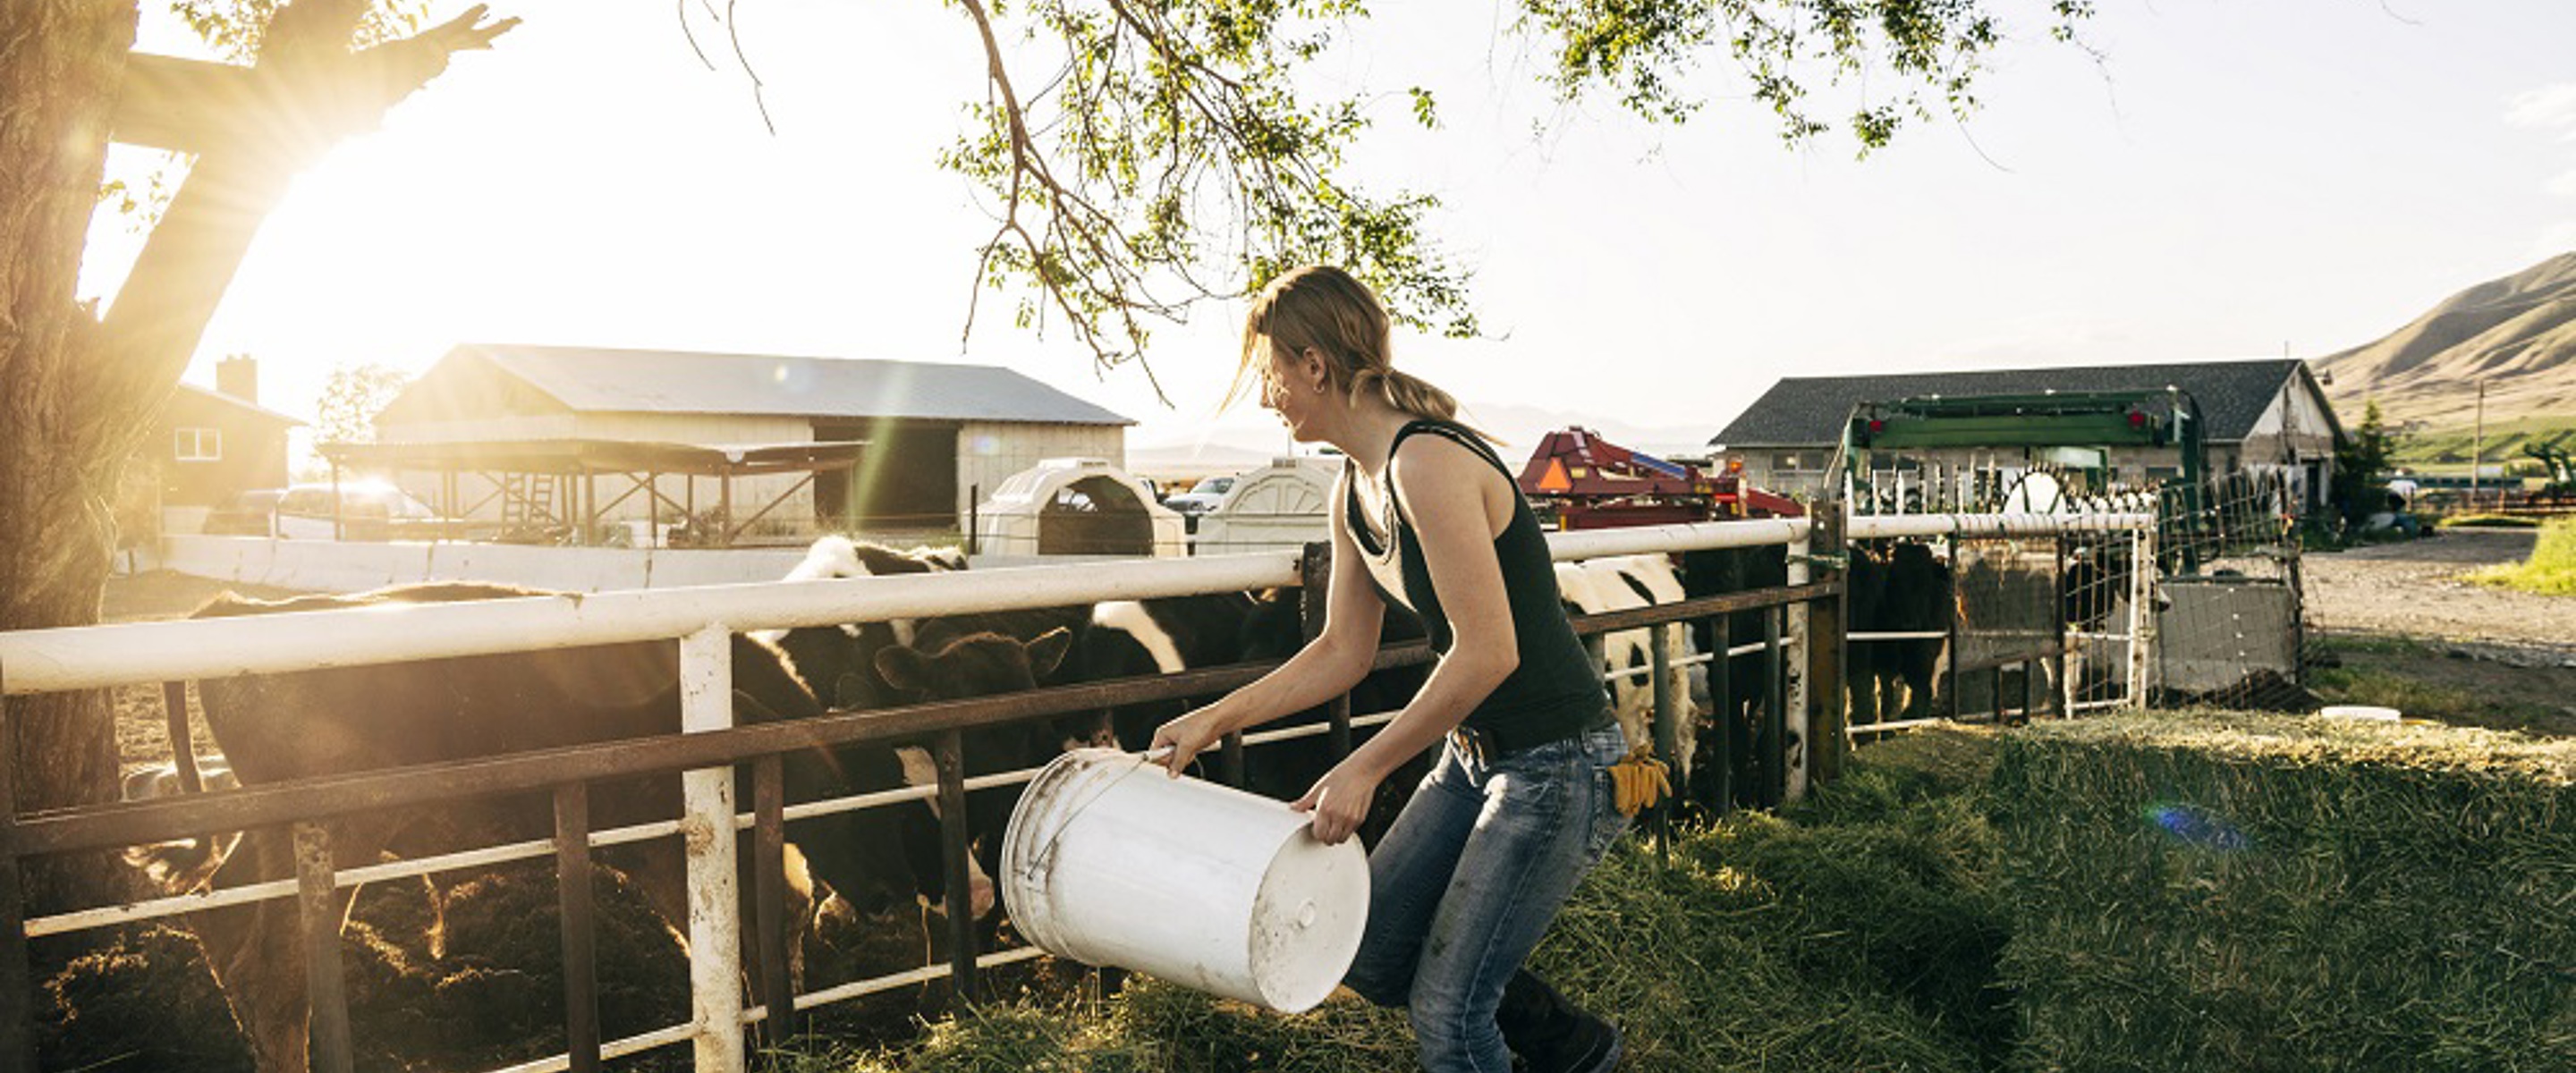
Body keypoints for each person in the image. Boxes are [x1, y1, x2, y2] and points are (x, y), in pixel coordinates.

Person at [1151, 266, 1631, 1073]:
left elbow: (1489, 651)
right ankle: (1574, 1051)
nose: (1269, 398)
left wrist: (1364, 767)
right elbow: (1344, 651)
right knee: (1370, 955)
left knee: (1450, 1017)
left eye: (1270, 373)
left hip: (1559, 760)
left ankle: (1524, 1036)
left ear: (1314, 366)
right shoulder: (1352, 486)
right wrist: (1212, 718)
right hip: (1477, 755)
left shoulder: (1426, 464)